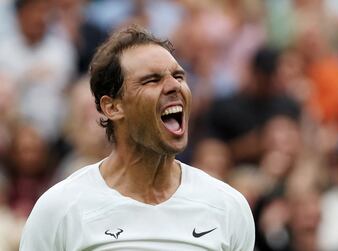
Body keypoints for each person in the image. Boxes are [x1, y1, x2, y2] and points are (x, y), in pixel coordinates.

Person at [20, 26, 255, 250]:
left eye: (179, 76)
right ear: (111, 107)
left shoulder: (228, 206)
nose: (174, 86)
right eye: (152, 80)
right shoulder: (60, 209)